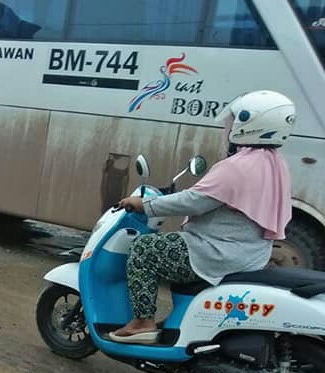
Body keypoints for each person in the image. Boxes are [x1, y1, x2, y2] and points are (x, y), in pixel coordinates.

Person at [110, 90, 295, 344]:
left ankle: (143, 322)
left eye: (232, 123)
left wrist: (145, 204)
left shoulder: (237, 166)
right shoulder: (275, 163)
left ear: (248, 123)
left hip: (217, 252)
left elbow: (195, 201)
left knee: (145, 249)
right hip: (250, 254)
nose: (227, 128)